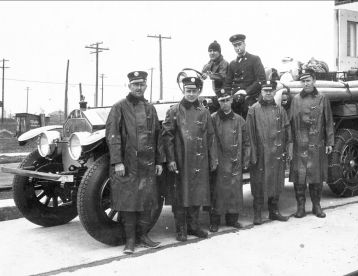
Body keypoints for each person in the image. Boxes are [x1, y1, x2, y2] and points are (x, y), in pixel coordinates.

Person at [106, 71, 164, 254]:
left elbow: (157, 137)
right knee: (129, 202)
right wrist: (117, 162)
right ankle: (130, 241)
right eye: (135, 84)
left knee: (147, 201)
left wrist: (159, 162)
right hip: (128, 164)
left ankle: (144, 236)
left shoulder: (150, 109)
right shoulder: (119, 107)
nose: (139, 88)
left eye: (142, 84)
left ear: (146, 86)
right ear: (129, 86)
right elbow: (113, 135)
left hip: (147, 165)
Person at [162, 76, 218, 242]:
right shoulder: (174, 111)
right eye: (188, 91)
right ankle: (181, 230)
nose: (191, 94)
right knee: (180, 195)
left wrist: (213, 158)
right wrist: (171, 159)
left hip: (199, 160)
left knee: (197, 193)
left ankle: (193, 226)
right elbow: (167, 137)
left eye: (194, 91)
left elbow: (210, 136)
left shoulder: (204, 112)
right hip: (181, 160)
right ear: (183, 91)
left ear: (199, 91)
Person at [289, 68, 334, 219]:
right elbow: (290, 122)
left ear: (314, 81)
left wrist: (330, 141)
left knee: (317, 176)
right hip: (300, 143)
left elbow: (328, 122)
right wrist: (290, 143)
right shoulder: (296, 100)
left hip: (317, 143)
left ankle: (317, 205)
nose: (306, 83)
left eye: (308, 80)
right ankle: (300, 207)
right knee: (299, 177)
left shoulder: (322, 98)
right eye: (303, 81)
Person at [246, 80, 292, 225]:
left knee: (276, 183)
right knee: (259, 184)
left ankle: (274, 211)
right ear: (261, 92)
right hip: (261, 155)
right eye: (265, 91)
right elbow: (249, 135)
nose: (267, 93)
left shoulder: (280, 110)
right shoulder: (253, 110)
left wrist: (288, 150)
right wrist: (252, 155)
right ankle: (258, 213)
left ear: (274, 92)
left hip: (276, 154)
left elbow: (287, 131)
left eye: (270, 91)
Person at [209, 89, 250, 232]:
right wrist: (214, 160)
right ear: (218, 102)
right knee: (218, 192)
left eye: (227, 100)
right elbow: (210, 141)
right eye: (222, 101)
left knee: (235, 190)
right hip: (220, 161)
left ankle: (232, 220)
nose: (225, 103)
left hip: (235, 161)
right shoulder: (213, 118)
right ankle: (215, 221)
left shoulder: (239, 120)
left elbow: (246, 141)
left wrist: (245, 158)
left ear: (232, 100)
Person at [224, 34, 266, 118]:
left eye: (239, 44)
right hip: (236, 96)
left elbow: (261, 79)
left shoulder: (254, 59)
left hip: (251, 95)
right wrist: (229, 95)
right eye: (235, 46)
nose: (237, 47)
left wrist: (246, 91)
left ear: (244, 44)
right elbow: (227, 83)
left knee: (247, 110)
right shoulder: (232, 63)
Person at [201, 40, 229, 113]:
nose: (212, 53)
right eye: (210, 51)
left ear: (219, 52)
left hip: (221, 95)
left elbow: (222, 76)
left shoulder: (224, 63)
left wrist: (209, 76)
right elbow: (202, 75)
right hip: (208, 95)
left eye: (214, 51)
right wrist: (201, 77)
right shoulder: (207, 65)